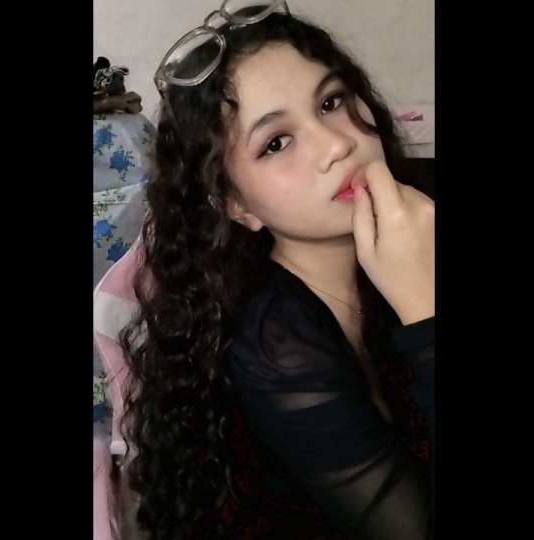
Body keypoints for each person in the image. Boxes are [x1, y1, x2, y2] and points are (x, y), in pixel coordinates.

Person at [119, 2, 435, 539]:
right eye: (276, 142)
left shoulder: (412, 228)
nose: (339, 144)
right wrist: (426, 311)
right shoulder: (274, 341)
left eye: (332, 101)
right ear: (237, 205)